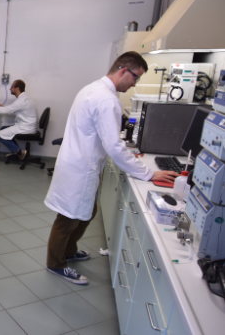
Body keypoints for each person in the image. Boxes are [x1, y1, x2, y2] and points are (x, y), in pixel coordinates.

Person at [44, 52, 179, 285]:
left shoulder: (92, 88)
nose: (134, 84)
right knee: (68, 218)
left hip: (78, 162)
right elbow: (115, 147)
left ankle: (68, 251)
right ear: (123, 70)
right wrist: (148, 173)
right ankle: (56, 263)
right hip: (80, 167)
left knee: (87, 213)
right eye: (135, 77)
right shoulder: (107, 100)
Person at [0, 79, 38, 160]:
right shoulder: (25, 98)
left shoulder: (21, 100)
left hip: (26, 127)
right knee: (3, 129)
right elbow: (13, 110)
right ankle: (17, 152)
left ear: (17, 88)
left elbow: (8, 110)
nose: (10, 89)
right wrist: (2, 107)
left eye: (12, 87)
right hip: (28, 126)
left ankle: (20, 152)